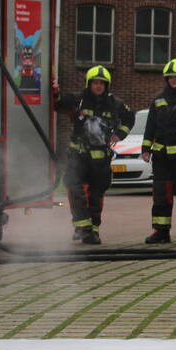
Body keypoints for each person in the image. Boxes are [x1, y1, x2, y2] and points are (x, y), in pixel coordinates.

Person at [52, 66, 134, 244]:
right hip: (78, 156)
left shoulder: (115, 103)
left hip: (100, 161)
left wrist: (119, 134)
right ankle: (83, 227)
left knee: (96, 195)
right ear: (89, 84)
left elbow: (129, 118)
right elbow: (59, 105)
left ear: (107, 85)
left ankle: (93, 230)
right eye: (95, 83)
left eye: (102, 83)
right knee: (75, 190)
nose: (98, 86)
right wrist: (56, 93)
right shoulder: (78, 100)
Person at [142, 59, 176, 244]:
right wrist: (145, 148)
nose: (173, 80)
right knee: (161, 196)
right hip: (161, 157)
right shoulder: (158, 99)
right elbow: (150, 125)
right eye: (170, 77)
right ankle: (160, 231)